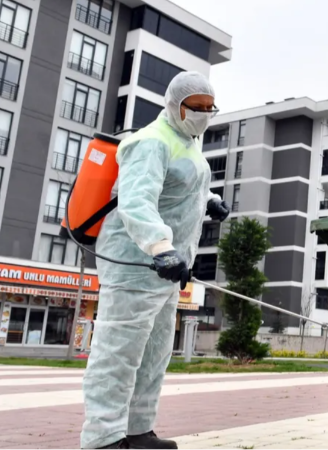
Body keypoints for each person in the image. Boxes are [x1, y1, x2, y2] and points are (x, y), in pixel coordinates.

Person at [81, 72, 230, 450]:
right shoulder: (149, 141)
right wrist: (161, 248)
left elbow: (179, 182)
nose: (203, 115)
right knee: (118, 352)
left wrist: (208, 199)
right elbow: (137, 201)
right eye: (196, 108)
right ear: (175, 104)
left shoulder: (186, 141)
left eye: (209, 109)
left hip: (167, 270)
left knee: (153, 355)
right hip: (137, 264)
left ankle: (138, 430)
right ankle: (102, 437)